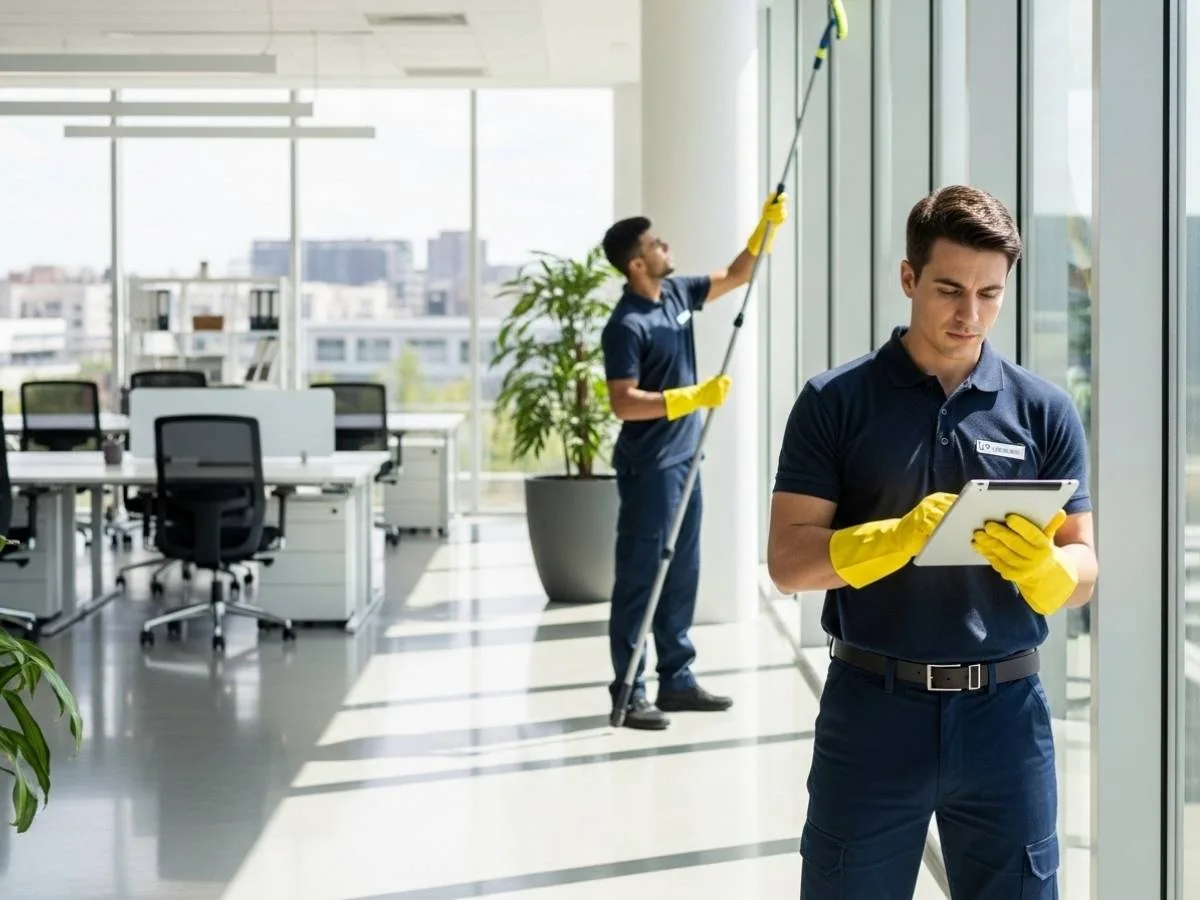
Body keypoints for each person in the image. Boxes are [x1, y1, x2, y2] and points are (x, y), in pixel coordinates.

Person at [766, 185, 1098, 898]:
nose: (969, 314)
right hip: (873, 710)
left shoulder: (1045, 411)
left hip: (1006, 718)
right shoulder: (835, 401)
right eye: (949, 289)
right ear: (909, 278)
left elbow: (1086, 563)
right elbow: (789, 563)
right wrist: (894, 537)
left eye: (990, 293)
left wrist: (1050, 570)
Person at [599, 191, 788, 730]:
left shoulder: (676, 292)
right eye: (655, 243)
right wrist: (688, 398)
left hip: (685, 460)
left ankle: (677, 680)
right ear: (637, 263)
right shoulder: (626, 324)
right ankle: (629, 691)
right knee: (641, 577)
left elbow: (734, 275)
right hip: (650, 467)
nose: (666, 244)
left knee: (681, 573)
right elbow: (621, 400)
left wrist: (764, 230)